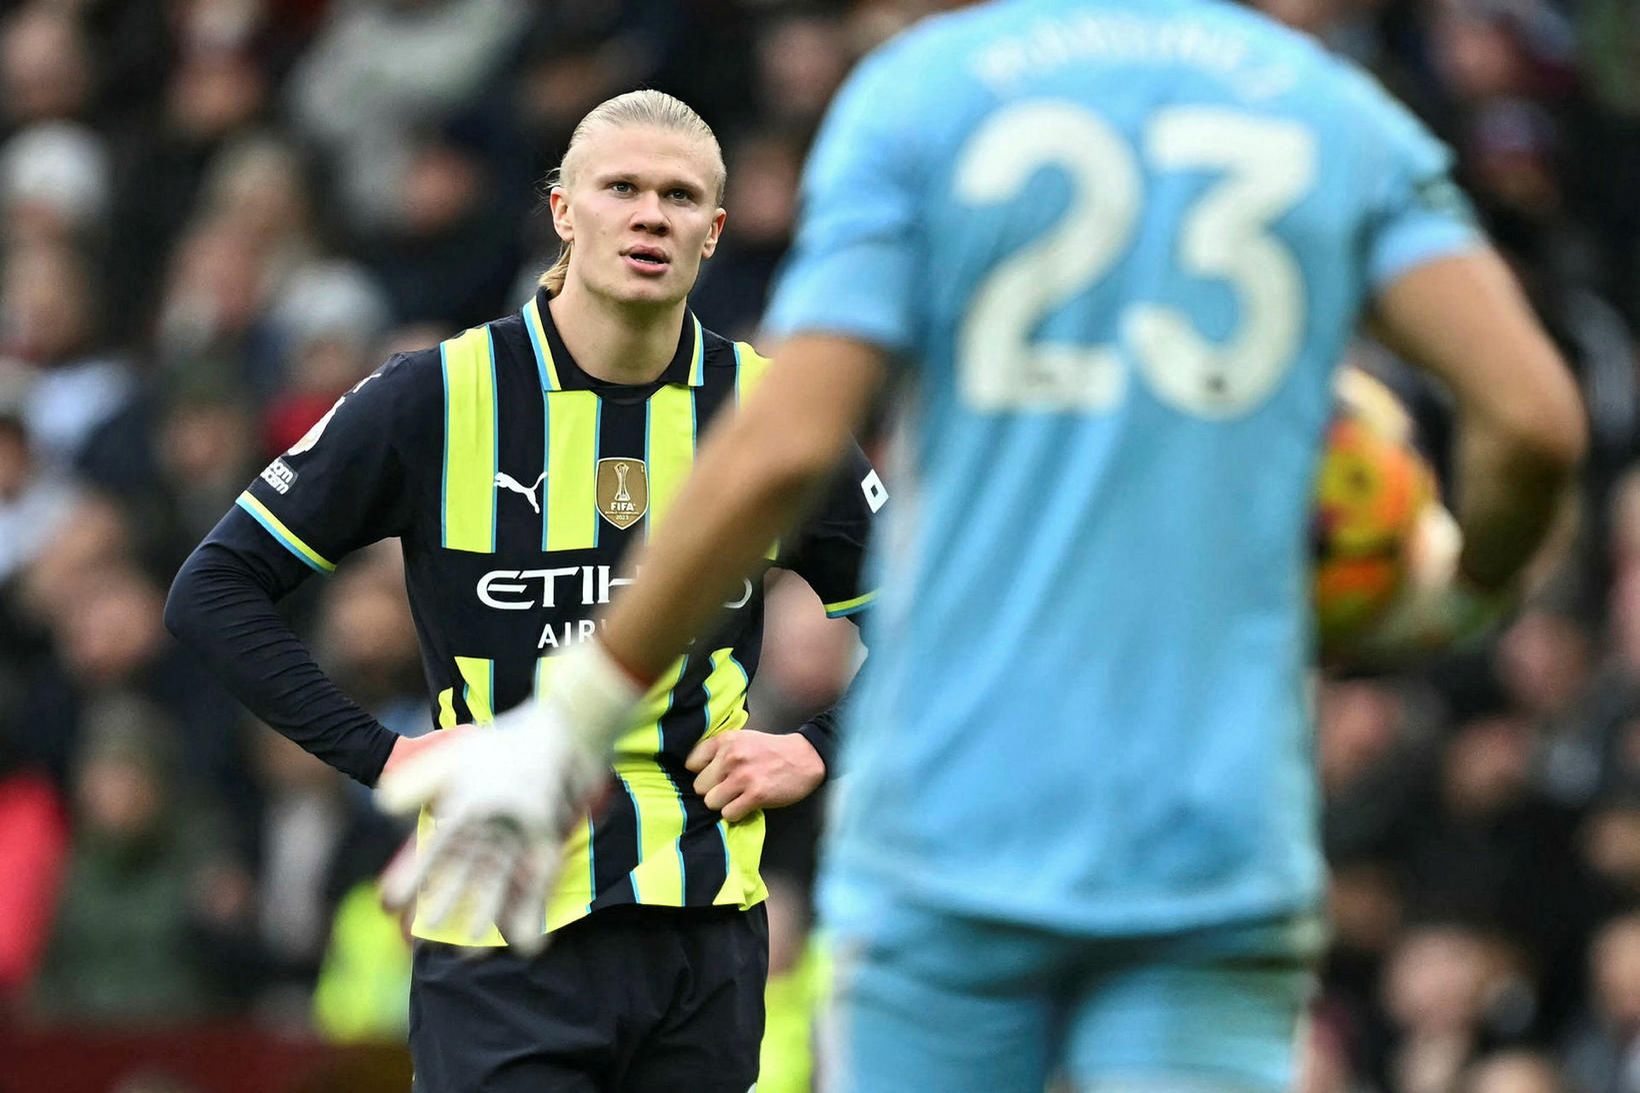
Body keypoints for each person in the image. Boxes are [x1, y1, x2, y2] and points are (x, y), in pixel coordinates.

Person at [378, 2, 1587, 1090]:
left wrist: (575, 714)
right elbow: (1531, 418)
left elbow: (782, 441)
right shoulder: (1328, 111)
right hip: (1211, 830)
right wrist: (1457, 597)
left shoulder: (926, 94)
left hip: (949, 826)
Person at [166, 90, 882, 1092]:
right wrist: (386, 753)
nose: (649, 214)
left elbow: (929, 626)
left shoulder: (765, 411)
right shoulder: (437, 396)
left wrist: (817, 747)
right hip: (502, 931)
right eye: (621, 188)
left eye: (679, 197)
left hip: (706, 937)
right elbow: (215, 588)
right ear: (561, 210)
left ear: (714, 233)